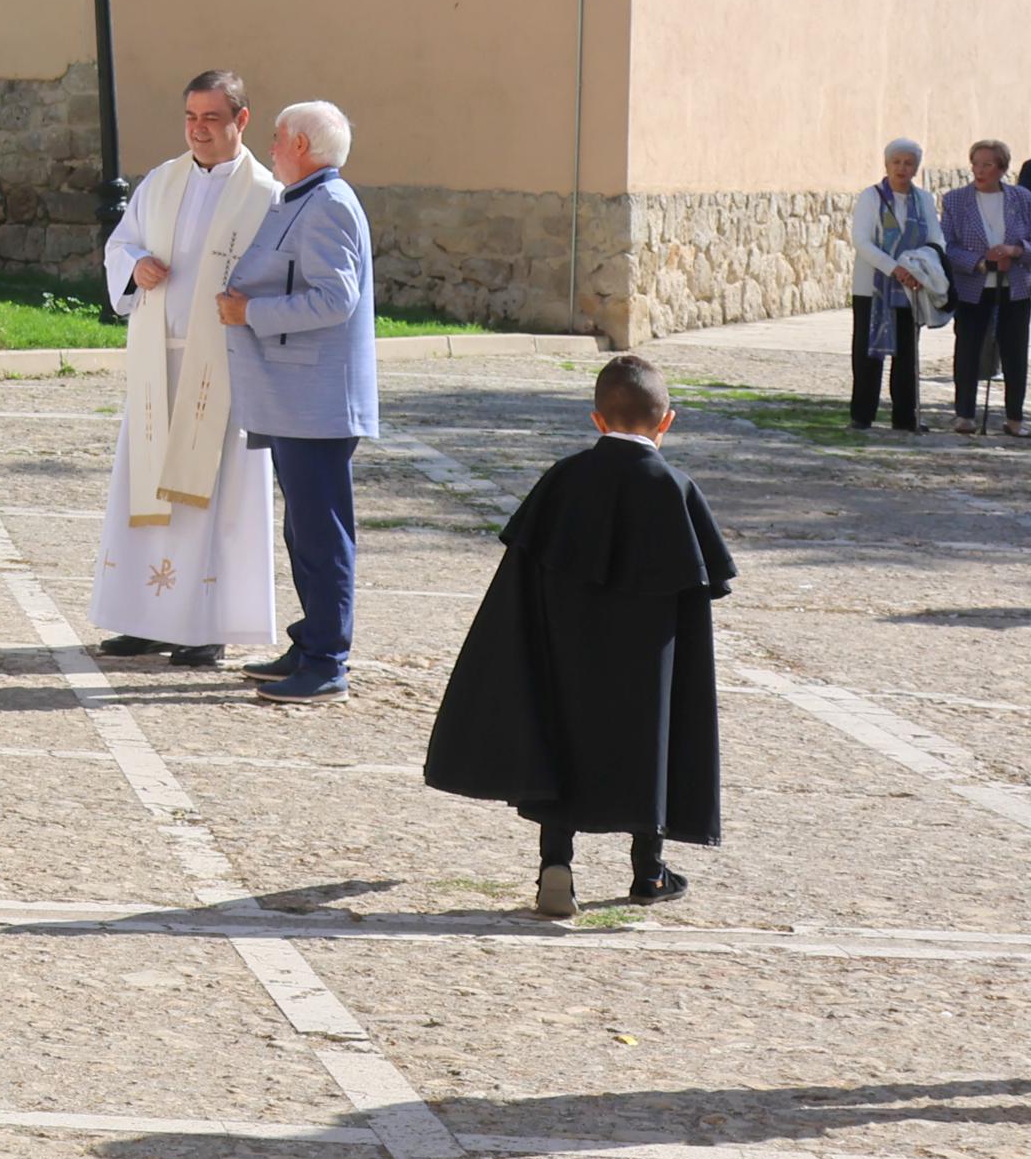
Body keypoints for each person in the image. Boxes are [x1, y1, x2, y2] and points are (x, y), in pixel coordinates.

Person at [424, 354, 733, 917]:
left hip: (563, 650)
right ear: (667, 421)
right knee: (654, 733)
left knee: (559, 731)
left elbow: (520, 578)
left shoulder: (563, 481)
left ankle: (555, 865)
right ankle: (649, 872)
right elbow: (699, 596)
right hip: (649, 661)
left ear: (596, 419)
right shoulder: (677, 491)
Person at [90, 72, 282, 667]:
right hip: (158, 362)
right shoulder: (161, 182)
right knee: (149, 489)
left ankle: (204, 623)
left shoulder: (266, 196)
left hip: (221, 366)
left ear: (241, 121)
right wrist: (137, 263)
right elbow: (119, 245)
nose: (199, 130)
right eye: (191, 119)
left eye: (212, 119)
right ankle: (144, 619)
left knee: (211, 494)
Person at [220, 100, 381, 704]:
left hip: (316, 401)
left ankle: (326, 661)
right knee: (303, 531)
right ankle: (309, 641)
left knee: (321, 533)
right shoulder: (308, 199)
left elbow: (334, 299)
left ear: (304, 147)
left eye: (280, 136)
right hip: (296, 397)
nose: (272, 144)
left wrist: (248, 312)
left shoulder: (330, 205)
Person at [943, 139, 1031, 438]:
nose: (980, 170)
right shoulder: (955, 200)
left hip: (1013, 287)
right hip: (973, 287)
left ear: (1002, 168)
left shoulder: (1021, 198)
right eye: (976, 163)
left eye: (987, 164)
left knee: (1014, 352)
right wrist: (981, 263)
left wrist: (1014, 252)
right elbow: (948, 246)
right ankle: (964, 414)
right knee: (968, 349)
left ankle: (1015, 417)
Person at [849, 139, 941, 434]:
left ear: (916, 167)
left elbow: (936, 239)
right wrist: (895, 268)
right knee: (868, 352)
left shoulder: (923, 200)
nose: (902, 168)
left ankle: (905, 416)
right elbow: (862, 241)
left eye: (908, 163)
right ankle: (862, 415)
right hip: (873, 287)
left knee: (907, 353)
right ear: (886, 165)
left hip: (912, 287)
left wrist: (917, 267)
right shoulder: (871, 197)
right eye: (897, 162)